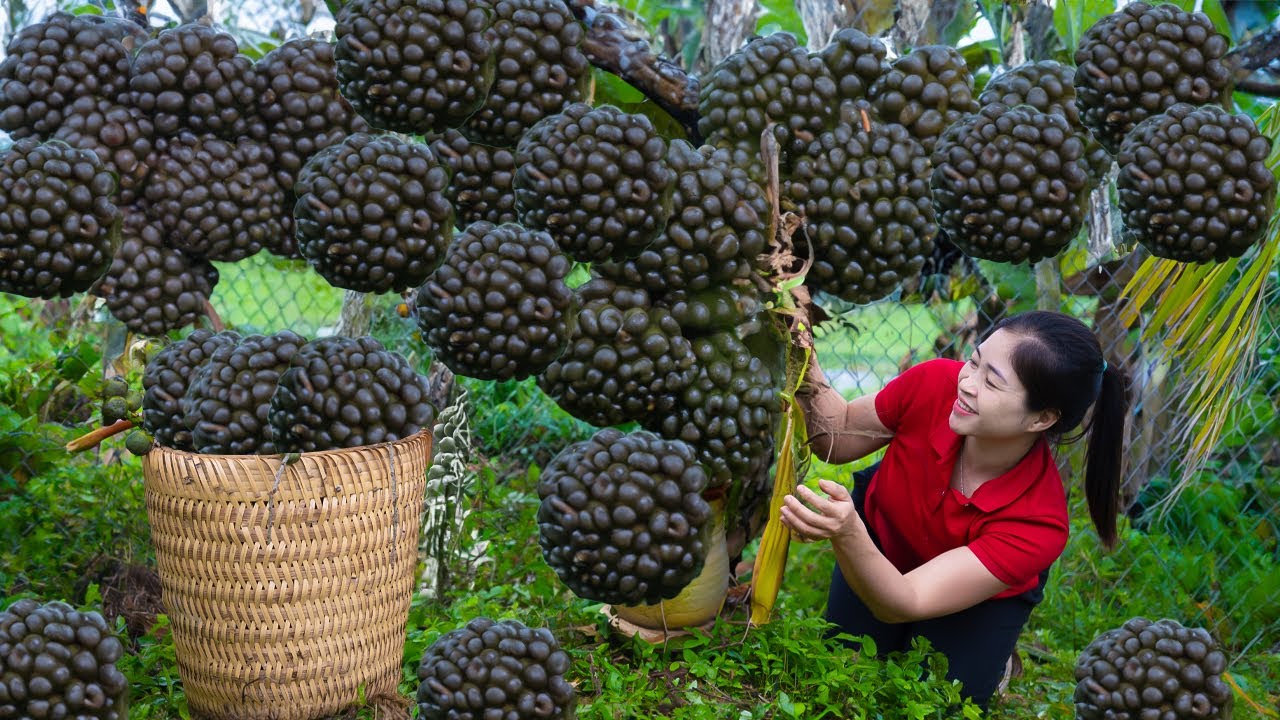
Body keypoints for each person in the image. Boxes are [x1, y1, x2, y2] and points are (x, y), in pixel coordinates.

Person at [779, 310, 1131, 710]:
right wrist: (800, 348)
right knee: (847, 662)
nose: (966, 383)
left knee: (942, 699)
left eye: (991, 381)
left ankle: (994, 658)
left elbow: (902, 601)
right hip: (885, 539)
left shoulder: (1039, 521)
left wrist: (845, 532)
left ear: (1042, 418)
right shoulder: (933, 383)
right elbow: (837, 436)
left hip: (972, 598)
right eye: (974, 361)